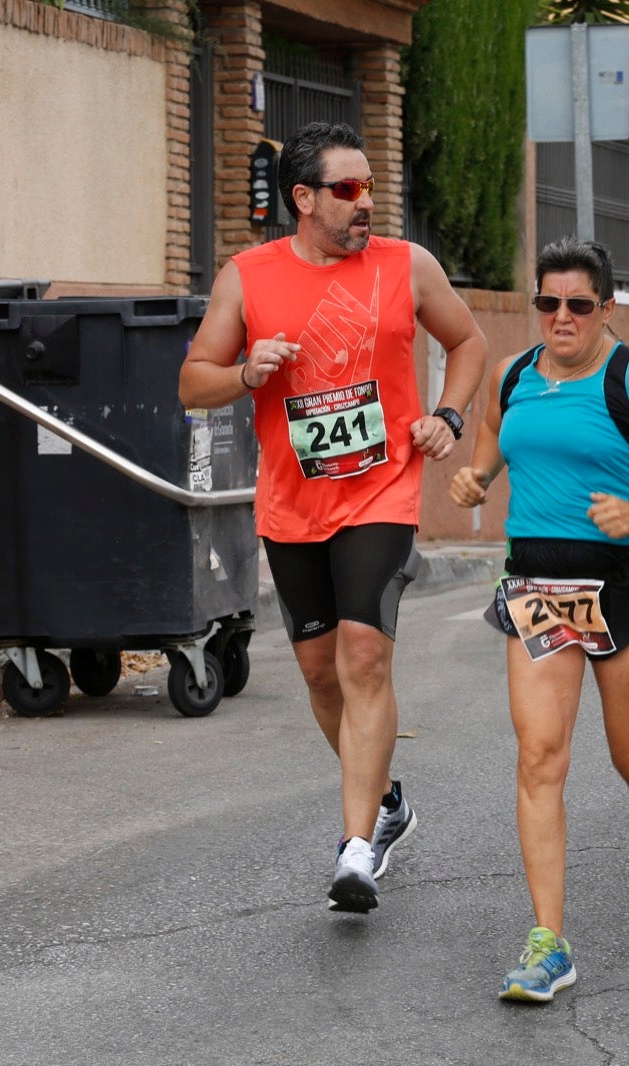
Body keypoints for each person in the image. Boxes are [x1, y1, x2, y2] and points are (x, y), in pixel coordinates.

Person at [178, 121, 488, 913]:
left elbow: (469, 341)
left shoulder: (406, 266)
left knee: (364, 658)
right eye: (348, 190)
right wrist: (248, 370)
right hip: (293, 502)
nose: (367, 204)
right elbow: (193, 381)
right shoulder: (249, 277)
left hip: (383, 490)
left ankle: (356, 850)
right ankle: (387, 802)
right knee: (320, 674)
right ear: (303, 199)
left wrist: (447, 418)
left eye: (371, 186)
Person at [450, 238, 629, 1003]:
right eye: (548, 303)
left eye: (578, 304)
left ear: (606, 309)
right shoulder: (513, 376)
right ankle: (548, 943)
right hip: (535, 585)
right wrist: (476, 479)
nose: (561, 317)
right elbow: (490, 441)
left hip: (623, 585)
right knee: (540, 756)